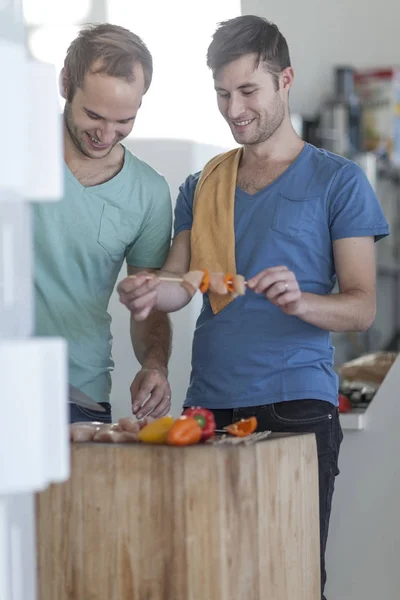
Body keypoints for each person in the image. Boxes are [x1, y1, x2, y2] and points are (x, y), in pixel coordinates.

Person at [116, 15, 389, 598]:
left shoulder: (338, 183)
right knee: (205, 577)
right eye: (221, 93)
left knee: (286, 577)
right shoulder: (203, 184)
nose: (233, 108)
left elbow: (362, 308)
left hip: (297, 408)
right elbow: (180, 282)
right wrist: (146, 292)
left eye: (247, 91)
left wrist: (304, 301)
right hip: (207, 408)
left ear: (284, 80)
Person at [34, 24, 173, 424]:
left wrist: (155, 364)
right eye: (93, 115)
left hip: (80, 394)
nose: (106, 134)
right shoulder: (14, 147)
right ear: (65, 83)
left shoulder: (148, 192)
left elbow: (148, 306)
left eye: (124, 121)